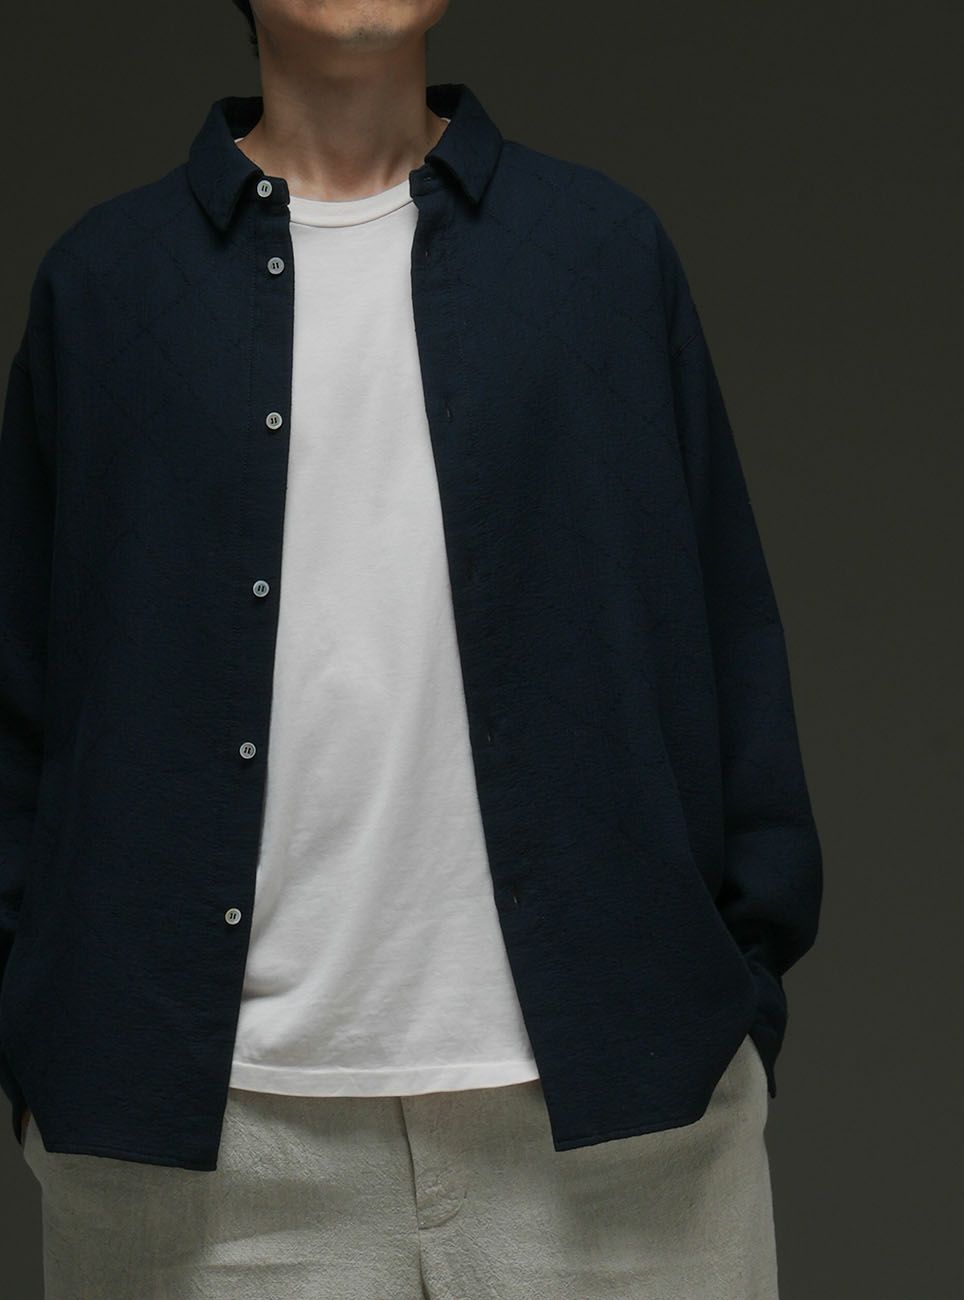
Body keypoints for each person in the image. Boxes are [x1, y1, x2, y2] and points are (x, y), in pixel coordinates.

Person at [0, 1, 823, 1296]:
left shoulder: (600, 254)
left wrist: (739, 995)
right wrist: (39, 1035)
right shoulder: (107, 287)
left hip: (626, 1120)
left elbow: (726, 638)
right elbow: (23, 694)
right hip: (204, 1150)